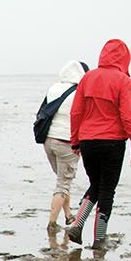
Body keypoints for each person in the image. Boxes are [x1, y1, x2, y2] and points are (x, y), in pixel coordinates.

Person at [65, 39, 131, 248]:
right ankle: (100, 238)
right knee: (107, 189)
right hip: (113, 142)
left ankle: (77, 225)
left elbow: (76, 113)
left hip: (87, 140)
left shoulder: (87, 78)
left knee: (96, 185)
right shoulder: (123, 81)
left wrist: (75, 141)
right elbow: (128, 116)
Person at [39, 59, 87, 233]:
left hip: (49, 140)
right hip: (67, 141)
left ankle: (68, 215)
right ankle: (51, 224)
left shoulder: (53, 88)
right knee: (63, 183)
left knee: (62, 180)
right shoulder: (80, 92)